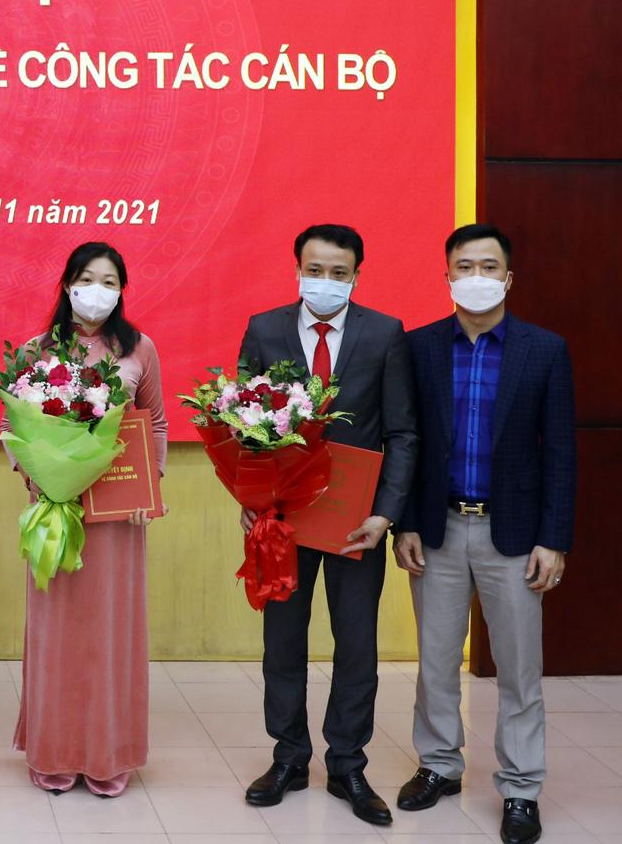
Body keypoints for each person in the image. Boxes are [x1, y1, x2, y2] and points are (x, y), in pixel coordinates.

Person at [392, 224, 575, 844]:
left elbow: (561, 452)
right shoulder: (418, 347)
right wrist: (406, 523)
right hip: (437, 529)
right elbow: (407, 443)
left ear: (508, 277)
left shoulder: (544, 350)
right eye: (464, 266)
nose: (476, 277)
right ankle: (439, 765)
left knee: (520, 669)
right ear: (447, 277)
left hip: (515, 534)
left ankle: (521, 787)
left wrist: (555, 538)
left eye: (488, 266)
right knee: (436, 661)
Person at [239, 224, 416, 826]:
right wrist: (250, 495)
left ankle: (347, 764)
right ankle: (288, 757)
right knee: (283, 641)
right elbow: (241, 422)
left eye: (339, 273)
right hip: (283, 518)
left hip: (355, 521)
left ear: (356, 276)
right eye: (315, 270)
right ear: (297, 269)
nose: (325, 281)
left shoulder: (384, 333)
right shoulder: (264, 329)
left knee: (357, 643)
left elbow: (401, 431)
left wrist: (385, 513)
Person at [12, 242, 167, 796]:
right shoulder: (36, 350)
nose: (96, 291)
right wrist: (38, 479)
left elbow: (156, 423)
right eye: (85, 279)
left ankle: (107, 753)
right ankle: (54, 749)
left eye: (108, 281)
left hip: (118, 517)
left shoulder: (140, 348)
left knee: (109, 632)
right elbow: (14, 428)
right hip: (58, 510)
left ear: (122, 290)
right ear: (67, 285)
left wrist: (151, 485)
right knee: (57, 633)